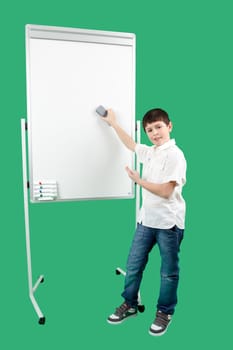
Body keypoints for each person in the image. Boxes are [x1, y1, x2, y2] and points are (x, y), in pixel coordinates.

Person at [101, 108, 187, 336]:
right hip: (146, 221)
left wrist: (139, 181)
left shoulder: (175, 155)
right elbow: (130, 143)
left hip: (168, 223)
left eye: (158, 127)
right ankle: (129, 304)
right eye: (149, 130)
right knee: (133, 266)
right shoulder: (151, 152)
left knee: (168, 272)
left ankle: (164, 312)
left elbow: (167, 191)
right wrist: (113, 123)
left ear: (169, 126)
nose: (155, 133)